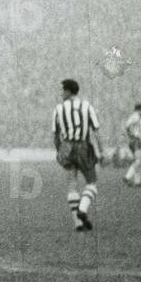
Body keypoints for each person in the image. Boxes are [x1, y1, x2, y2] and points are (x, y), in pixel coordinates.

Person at [52, 78, 104, 231]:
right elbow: (96, 131)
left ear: (68, 91)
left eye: (62, 90)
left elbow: (55, 136)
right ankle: (83, 208)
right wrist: (102, 151)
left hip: (66, 147)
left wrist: (60, 151)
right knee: (92, 182)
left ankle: (78, 223)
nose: (60, 93)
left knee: (71, 184)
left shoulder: (59, 109)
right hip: (83, 146)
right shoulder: (87, 106)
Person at [123, 103, 141, 187]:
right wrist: (132, 135)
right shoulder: (135, 116)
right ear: (140, 109)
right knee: (138, 161)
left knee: (138, 162)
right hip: (136, 140)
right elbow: (127, 125)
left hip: (136, 140)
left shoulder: (136, 116)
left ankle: (137, 182)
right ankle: (127, 177)